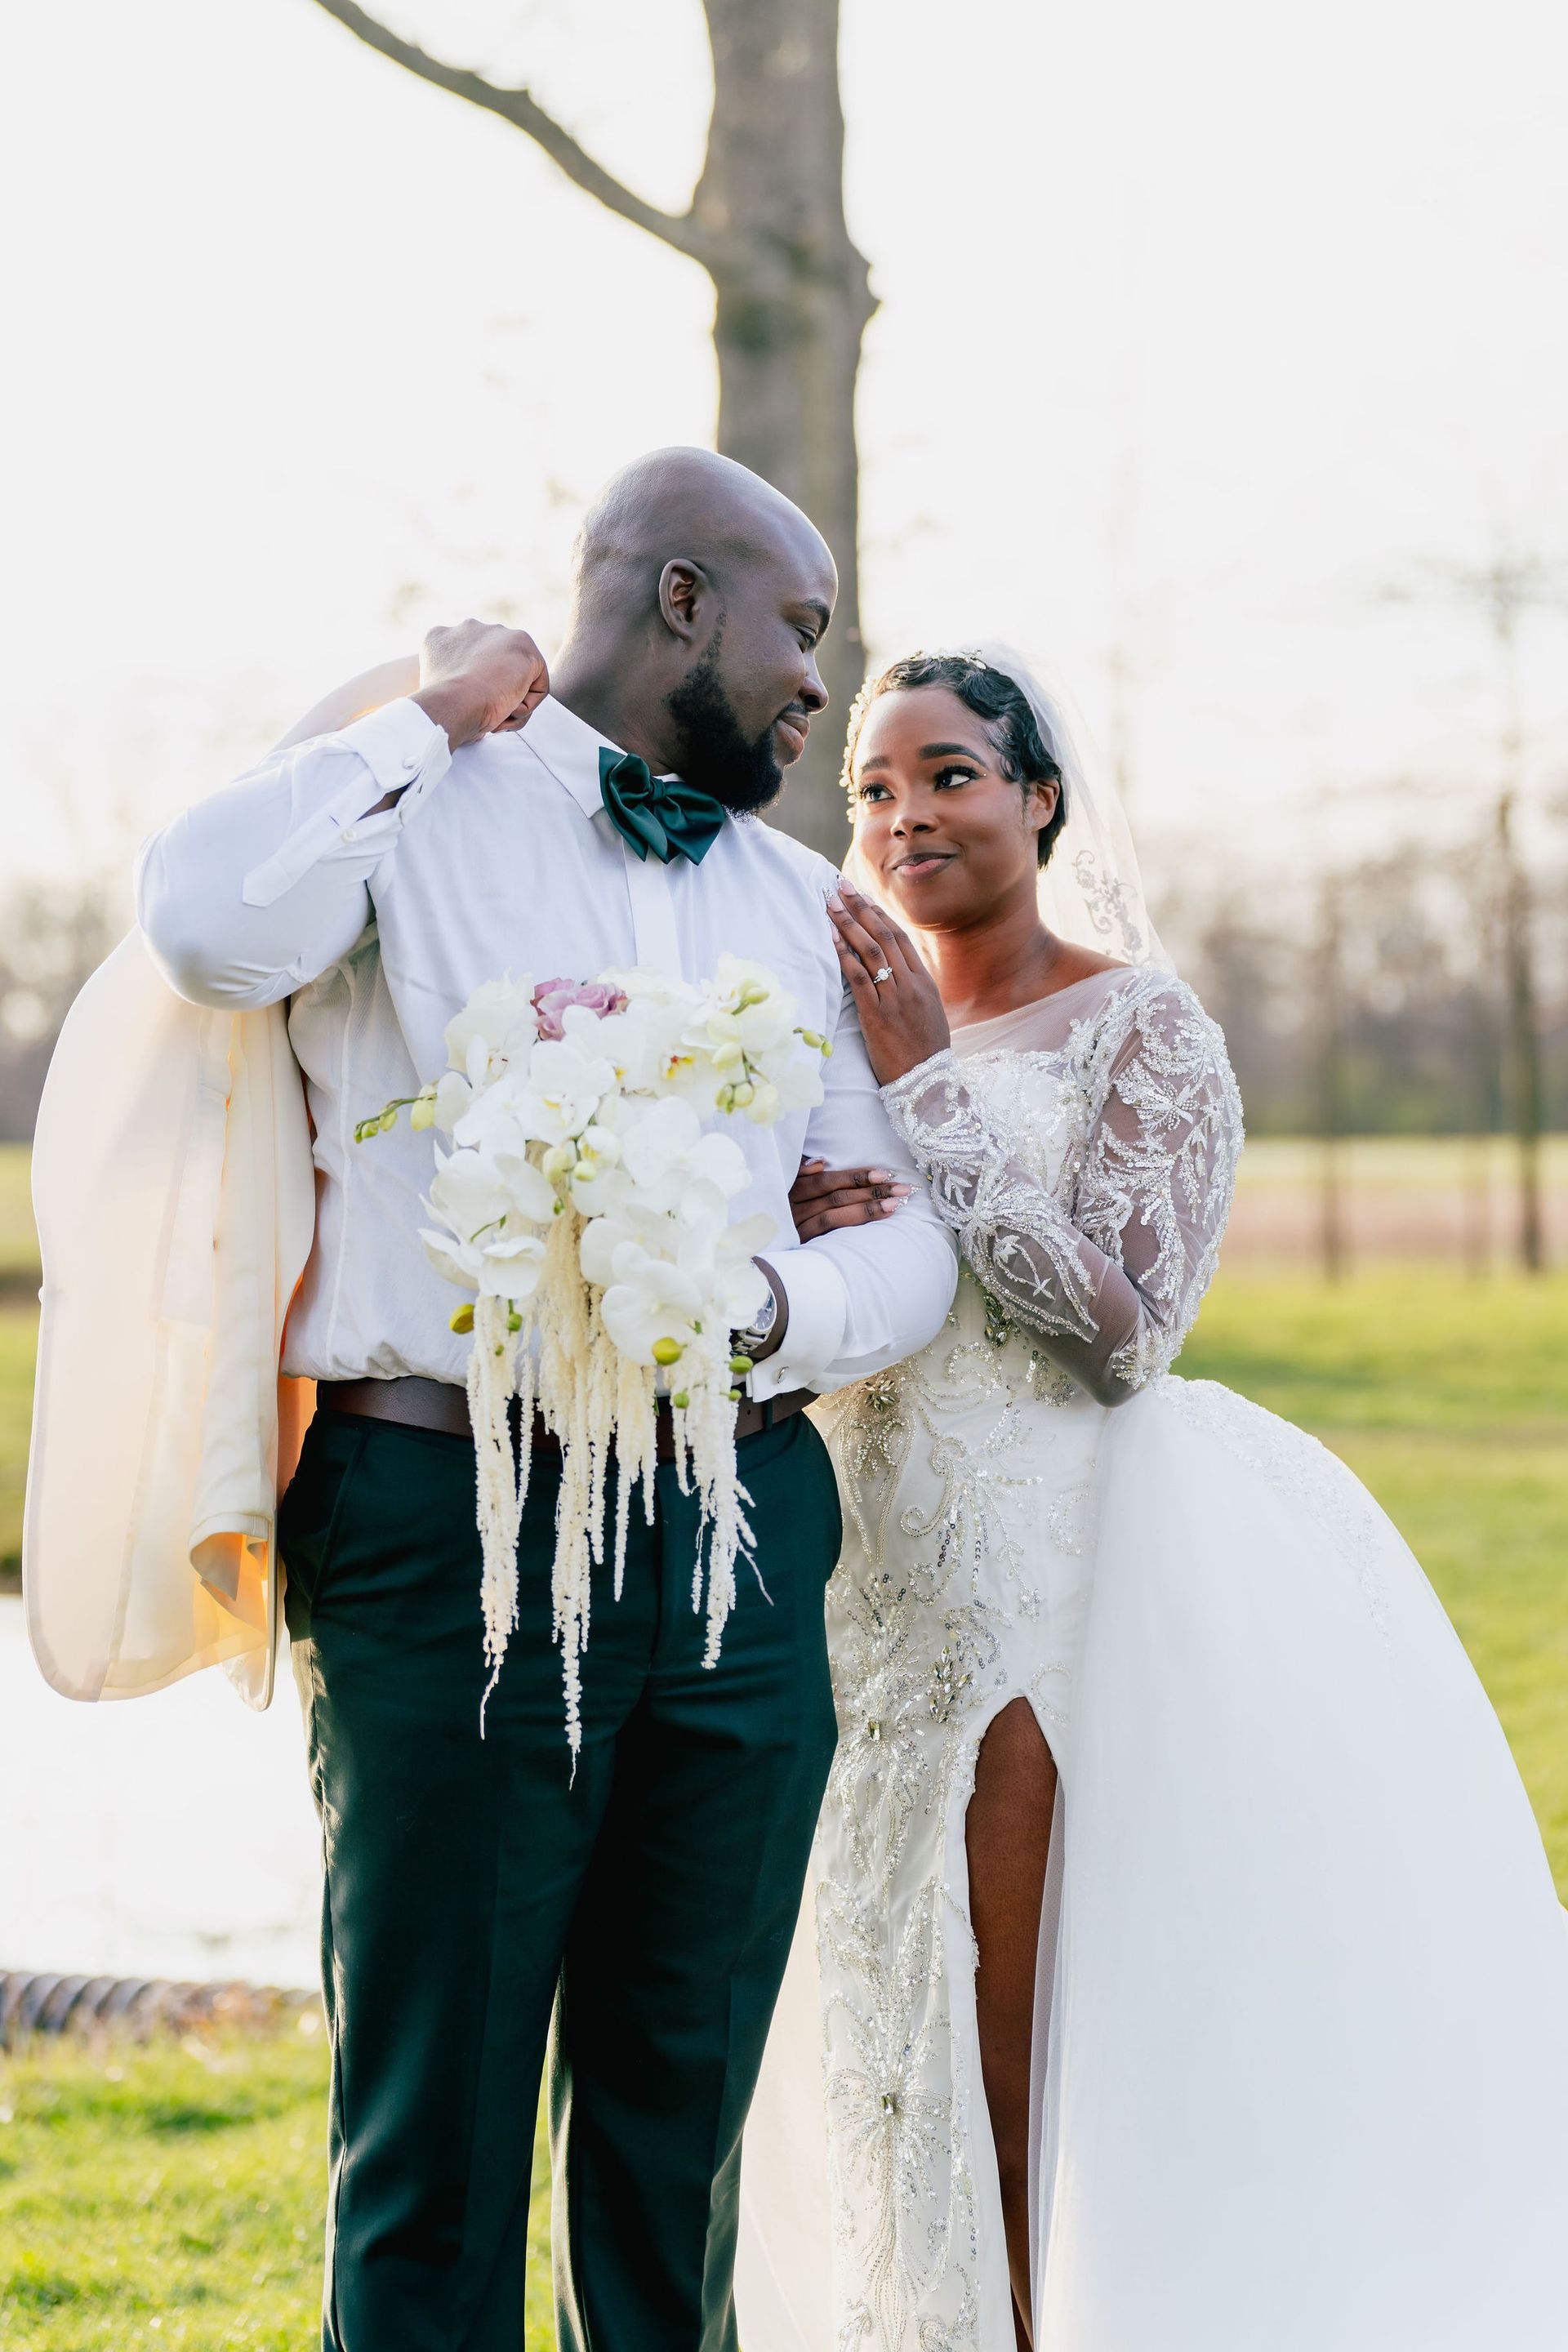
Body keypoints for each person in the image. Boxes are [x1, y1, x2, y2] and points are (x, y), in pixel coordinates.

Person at [134, 450, 958, 2352]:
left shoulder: (793, 898)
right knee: (436, 2152)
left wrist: (766, 1303)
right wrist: (425, 716)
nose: (818, 688)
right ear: (681, 600)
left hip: (741, 1549)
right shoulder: (402, 810)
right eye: (798, 630)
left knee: (678, 2160)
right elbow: (201, 927)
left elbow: (899, 1235)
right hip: (448, 1530)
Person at [735, 647, 1568, 2351]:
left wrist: (926, 1101)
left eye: (951, 773)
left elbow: (1125, 1327)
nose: (907, 817)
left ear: (1042, 796)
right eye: (875, 788)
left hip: (1054, 1576)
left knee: (1019, 2014)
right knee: (869, 2004)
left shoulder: (1142, 1028)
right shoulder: (836, 1023)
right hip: (860, 1575)